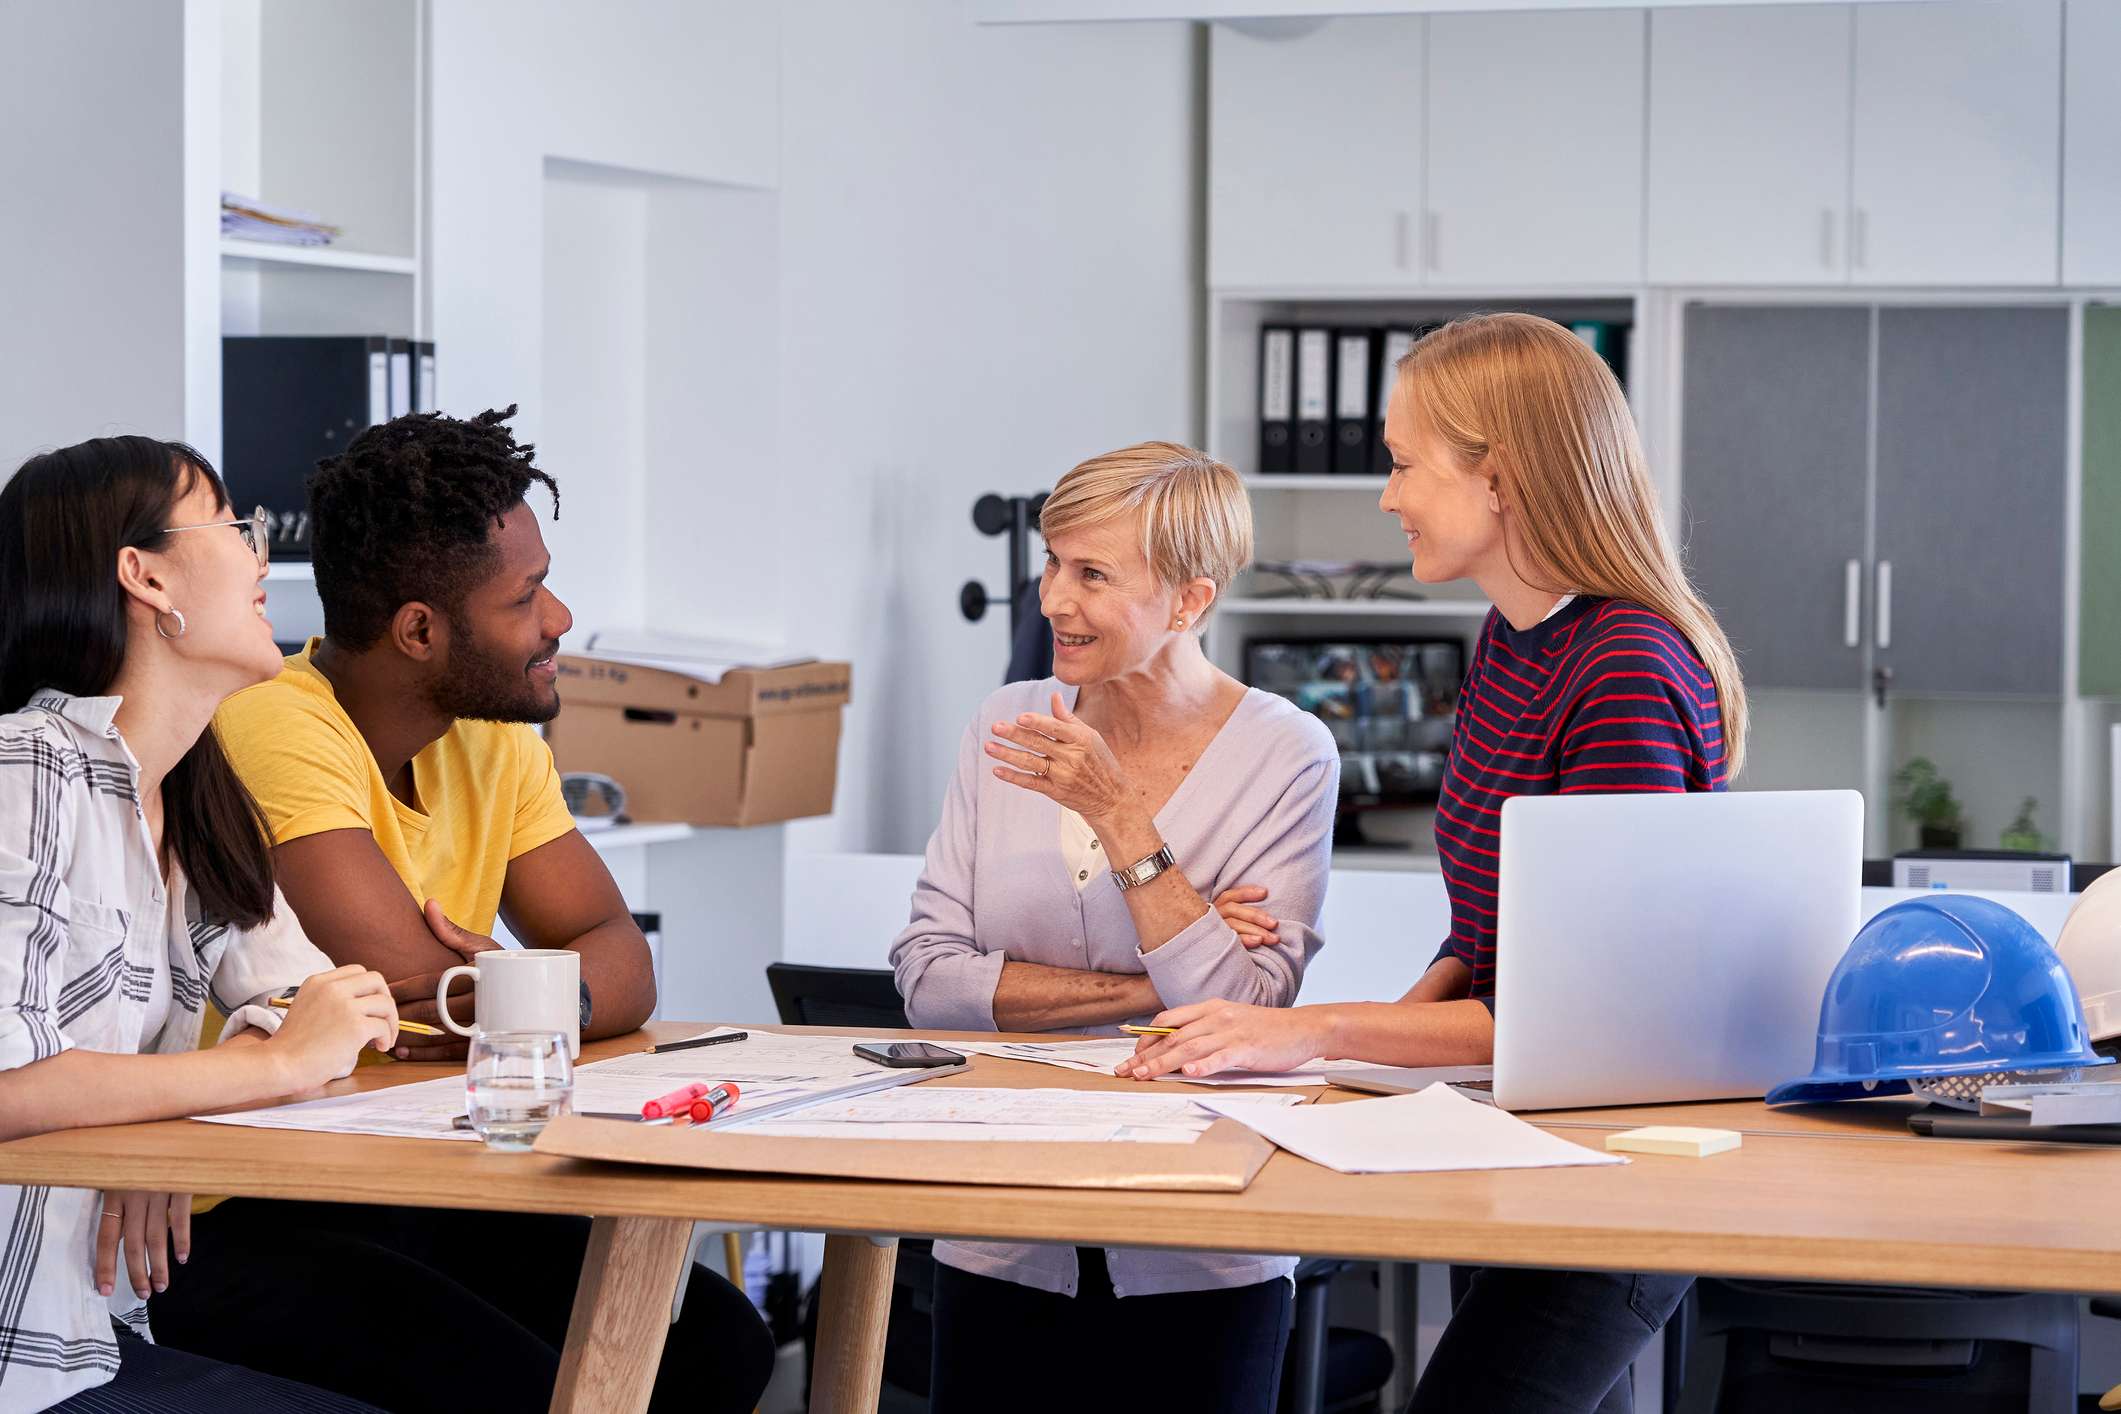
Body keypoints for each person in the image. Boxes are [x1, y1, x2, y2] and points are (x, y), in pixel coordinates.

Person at [1121, 313, 1748, 1414]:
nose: (1387, 494)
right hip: (1523, 1137)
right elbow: (1492, 935)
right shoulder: (1518, 637)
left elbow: (1585, 1018)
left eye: (1405, 462)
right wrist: (1357, 1071)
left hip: (1612, 1168)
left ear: (1498, 479)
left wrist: (1308, 1027)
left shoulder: (1627, 669)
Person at [146, 408, 775, 1414]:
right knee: (531, 1390)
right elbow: (413, 989)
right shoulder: (272, 724)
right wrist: (517, 992)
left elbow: (622, 961)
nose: (560, 617)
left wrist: (521, 1000)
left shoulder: (489, 728)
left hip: (420, 1174)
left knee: (715, 1347)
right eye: (526, 598)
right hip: (252, 1201)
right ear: (420, 631)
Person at [890, 441, 1340, 1414]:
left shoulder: (1287, 753)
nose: (1053, 599)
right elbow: (929, 976)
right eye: (1052, 564)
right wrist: (1158, 990)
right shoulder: (1006, 722)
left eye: (1091, 573)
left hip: (1201, 1242)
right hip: (1002, 1223)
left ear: (1188, 600)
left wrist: (1120, 814)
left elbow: (1250, 1008)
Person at [0, 435, 401, 1412]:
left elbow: (344, 1008)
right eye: (233, 526)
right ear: (144, 575)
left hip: (89, 1330)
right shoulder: (27, 770)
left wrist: (161, 1117)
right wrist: (264, 1067)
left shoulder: (195, 797)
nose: (263, 559)